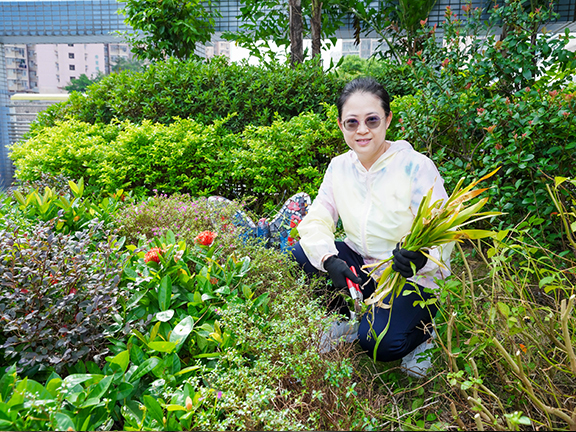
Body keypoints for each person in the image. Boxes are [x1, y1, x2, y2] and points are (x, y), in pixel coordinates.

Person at [291, 77, 453, 377]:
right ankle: (354, 319)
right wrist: (329, 259)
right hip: (362, 265)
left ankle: (424, 334)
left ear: (388, 119)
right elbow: (316, 218)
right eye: (352, 122)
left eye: (372, 120)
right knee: (302, 253)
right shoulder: (339, 167)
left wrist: (423, 258)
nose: (362, 130)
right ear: (341, 125)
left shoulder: (415, 167)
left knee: (379, 344)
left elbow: (443, 228)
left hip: (408, 276)